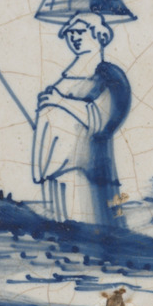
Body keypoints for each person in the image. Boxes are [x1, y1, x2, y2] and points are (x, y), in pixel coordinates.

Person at [31, 12, 131, 226]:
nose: (74, 37)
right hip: (55, 166)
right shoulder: (66, 76)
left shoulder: (108, 76)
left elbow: (101, 119)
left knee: (85, 221)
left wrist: (60, 101)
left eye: (80, 32)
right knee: (59, 224)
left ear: (98, 35)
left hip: (86, 169)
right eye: (71, 33)